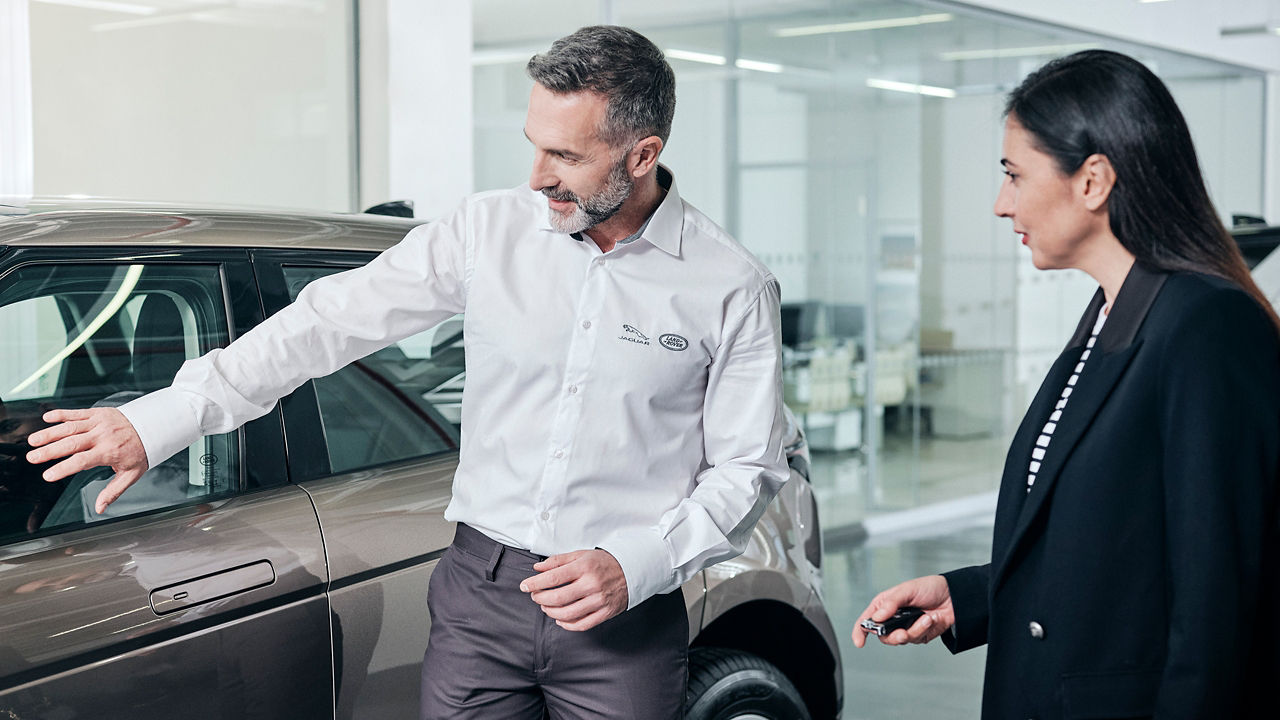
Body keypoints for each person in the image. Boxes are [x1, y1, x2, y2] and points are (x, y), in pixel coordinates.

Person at [26, 25, 788, 720]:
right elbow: (322, 325)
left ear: (642, 155)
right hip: (478, 596)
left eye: (566, 157)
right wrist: (160, 417)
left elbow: (746, 469)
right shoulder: (486, 231)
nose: (536, 178)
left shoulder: (730, 287)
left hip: (622, 613)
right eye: (534, 145)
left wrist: (635, 564)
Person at [852, 49, 1280, 719]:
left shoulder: (1205, 327)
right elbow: (1112, 557)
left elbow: (1214, 609)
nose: (1002, 204)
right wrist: (967, 596)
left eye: (1015, 176)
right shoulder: (1110, 312)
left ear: (1094, 181)